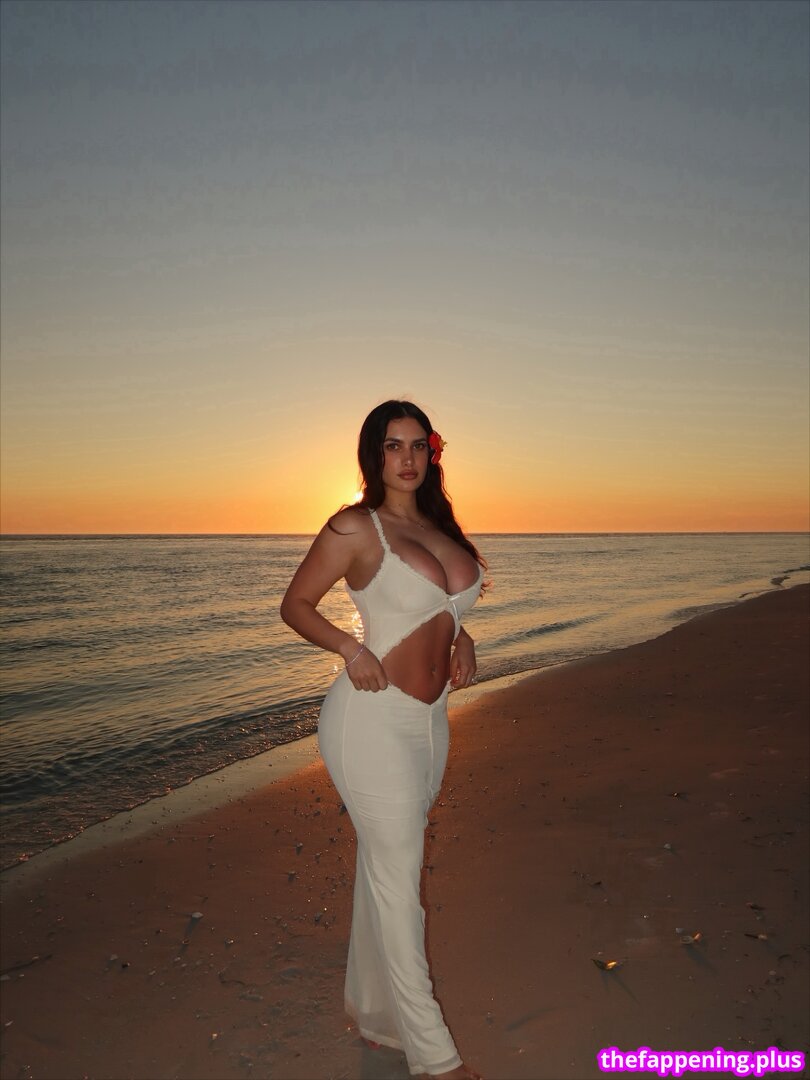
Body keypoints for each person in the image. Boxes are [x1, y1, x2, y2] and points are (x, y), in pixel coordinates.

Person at [280, 399, 486, 1080]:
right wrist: (349, 648)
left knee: (387, 867)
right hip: (369, 719)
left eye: (417, 445)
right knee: (400, 883)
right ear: (373, 455)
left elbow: (437, 610)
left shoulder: (437, 528)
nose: (407, 458)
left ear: (432, 454)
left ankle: (375, 1015)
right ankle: (436, 1059)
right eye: (393, 445)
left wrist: (463, 637)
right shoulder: (355, 526)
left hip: (429, 722)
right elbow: (295, 604)